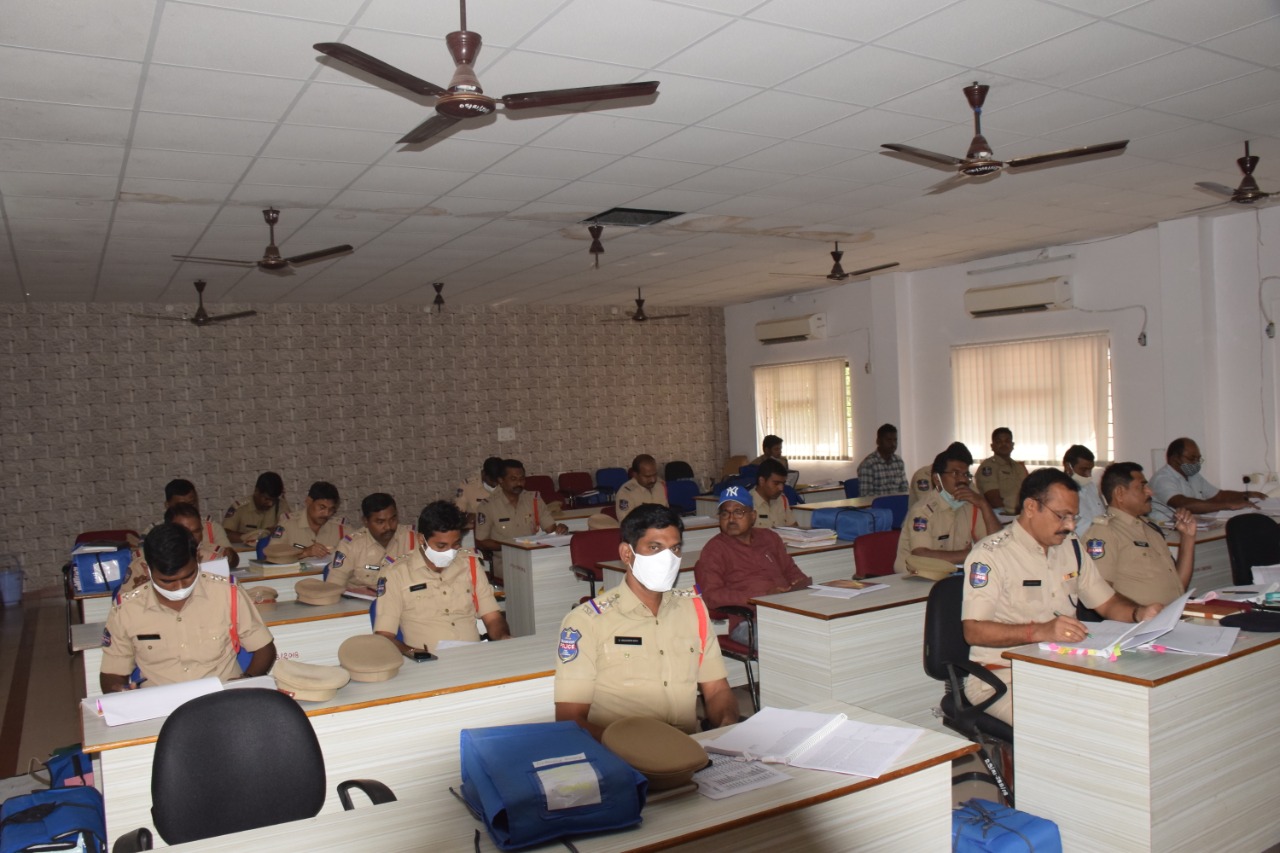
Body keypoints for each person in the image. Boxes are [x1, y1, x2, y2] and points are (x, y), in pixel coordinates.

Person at [961, 468, 1163, 724]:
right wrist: (1040, 631)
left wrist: (1139, 613)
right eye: (1062, 516)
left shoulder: (1071, 547)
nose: (1069, 526)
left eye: (1074, 518)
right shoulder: (990, 555)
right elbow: (973, 631)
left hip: (1061, 668)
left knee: (1123, 708)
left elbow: (1108, 602)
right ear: (1031, 507)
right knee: (1062, 725)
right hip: (1002, 677)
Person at [554, 504, 738, 739]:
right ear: (627, 554)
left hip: (685, 750)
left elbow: (716, 690)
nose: (668, 559)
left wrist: (728, 727)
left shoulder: (692, 609)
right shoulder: (586, 621)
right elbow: (570, 719)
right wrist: (636, 752)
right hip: (623, 755)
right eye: (655, 547)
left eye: (675, 549)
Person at [100, 522, 275, 692]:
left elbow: (264, 649)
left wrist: (247, 681)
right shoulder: (127, 609)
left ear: (198, 559)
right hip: (161, 704)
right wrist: (119, 691)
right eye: (167, 581)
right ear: (148, 570)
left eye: (188, 576)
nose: (180, 587)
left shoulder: (226, 593)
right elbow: (112, 673)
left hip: (222, 697)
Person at [374, 500, 509, 656]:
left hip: (473, 657)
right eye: (441, 546)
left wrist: (503, 637)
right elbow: (385, 636)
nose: (450, 552)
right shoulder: (396, 573)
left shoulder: (470, 564)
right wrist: (414, 653)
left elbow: (493, 618)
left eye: (456, 544)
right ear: (421, 540)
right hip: (428, 663)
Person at [694, 485, 811, 645]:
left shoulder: (770, 538)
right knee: (793, 642)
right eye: (725, 513)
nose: (731, 519)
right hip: (749, 622)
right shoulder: (714, 549)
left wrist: (799, 584)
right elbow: (712, 596)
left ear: (753, 516)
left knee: (821, 632)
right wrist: (761, 596)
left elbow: (791, 570)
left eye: (738, 512)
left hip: (785, 613)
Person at [1087, 463, 1198, 606]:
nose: (1150, 492)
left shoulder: (1150, 528)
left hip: (1171, 615)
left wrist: (1188, 538)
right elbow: (1099, 593)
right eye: (1142, 487)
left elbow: (1179, 587)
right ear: (1120, 493)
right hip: (1136, 623)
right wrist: (1138, 613)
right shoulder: (1104, 532)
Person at [895, 447, 1000, 575]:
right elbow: (921, 555)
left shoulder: (969, 505)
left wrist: (984, 505)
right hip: (917, 577)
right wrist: (973, 552)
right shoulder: (922, 511)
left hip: (952, 575)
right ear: (936, 479)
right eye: (955, 473)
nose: (962, 480)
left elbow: (996, 543)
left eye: (966, 474)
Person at [1148, 437, 1263, 522]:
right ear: (1175, 458)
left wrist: (1246, 495)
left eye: (1198, 459)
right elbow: (1183, 504)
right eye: (1192, 458)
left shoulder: (1193, 476)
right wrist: (1228, 505)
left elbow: (1218, 495)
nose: (1196, 463)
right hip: (1166, 531)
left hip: (1192, 525)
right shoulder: (1162, 479)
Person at [329, 493, 418, 594]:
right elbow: (333, 587)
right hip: (362, 606)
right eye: (380, 522)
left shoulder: (412, 539)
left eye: (393, 519)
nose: (388, 527)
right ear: (366, 521)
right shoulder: (349, 546)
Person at [261, 481, 347, 563]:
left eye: (331, 510)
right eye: (322, 507)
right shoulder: (287, 524)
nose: (326, 514)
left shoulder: (340, 528)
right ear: (308, 501)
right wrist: (305, 552)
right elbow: (271, 556)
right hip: (296, 577)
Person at [140, 478, 234, 551]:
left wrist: (227, 555)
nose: (187, 508)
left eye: (192, 504)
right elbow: (143, 562)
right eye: (181, 505)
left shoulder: (212, 527)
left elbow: (230, 556)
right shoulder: (152, 532)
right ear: (167, 505)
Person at [223, 472, 290, 544]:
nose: (270, 504)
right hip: (244, 553)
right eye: (266, 499)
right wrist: (249, 537)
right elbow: (226, 534)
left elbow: (289, 530)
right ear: (256, 491)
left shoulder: (281, 506)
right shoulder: (240, 508)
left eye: (273, 500)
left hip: (270, 552)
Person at [976, 428, 1029, 513]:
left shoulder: (1019, 467)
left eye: (1007, 441)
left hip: (1022, 515)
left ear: (1012, 445)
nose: (1003, 444)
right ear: (992, 446)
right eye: (999, 442)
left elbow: (1029, 492)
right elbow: (993, 500)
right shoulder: (988, 467)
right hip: (1002, 517)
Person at [908, 442, 974, 508]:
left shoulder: (965, 477)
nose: (962, 478)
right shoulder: (923, 475)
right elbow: (928, 504)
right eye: (956, 473)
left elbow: (975, 496)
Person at [1063, 445, 1105, 537]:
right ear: (1068, 467)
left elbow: (1102, 513)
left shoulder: (1091, 486)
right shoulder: (1059, 492)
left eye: (1090, 470)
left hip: (1100, 539)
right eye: (1083, 469)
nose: (1088, 474)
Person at [857, 424, 909, 498]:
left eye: (895, 440)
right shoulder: (868, 465)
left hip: (897, 505)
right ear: (878, 441)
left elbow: (904, 489)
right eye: (889, 440)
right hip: (877, 508)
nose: (893, 444)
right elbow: (865, 496)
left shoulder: (898, 461)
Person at [614, 454, 668, 522]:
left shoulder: (660, 485)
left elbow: (667, 513)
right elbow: (627, 524)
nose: (653, 480)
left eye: (654, 474)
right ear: (635, 474)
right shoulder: (625, 493)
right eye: (647, 476)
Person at [749, 458, 796, 529]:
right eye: (776, 483)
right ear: (762, 481)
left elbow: (793, 527)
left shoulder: (782, 500)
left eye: (783, 483)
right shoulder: (747, 503)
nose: (781, 488)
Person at [455, 456, 503, 521]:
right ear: (483, 473)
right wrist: (469, 516)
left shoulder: (507, 484)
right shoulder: (467, 486)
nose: (495, 484)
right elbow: (458, 513)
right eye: (492, 480)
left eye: (498, 481)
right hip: (477, 527)